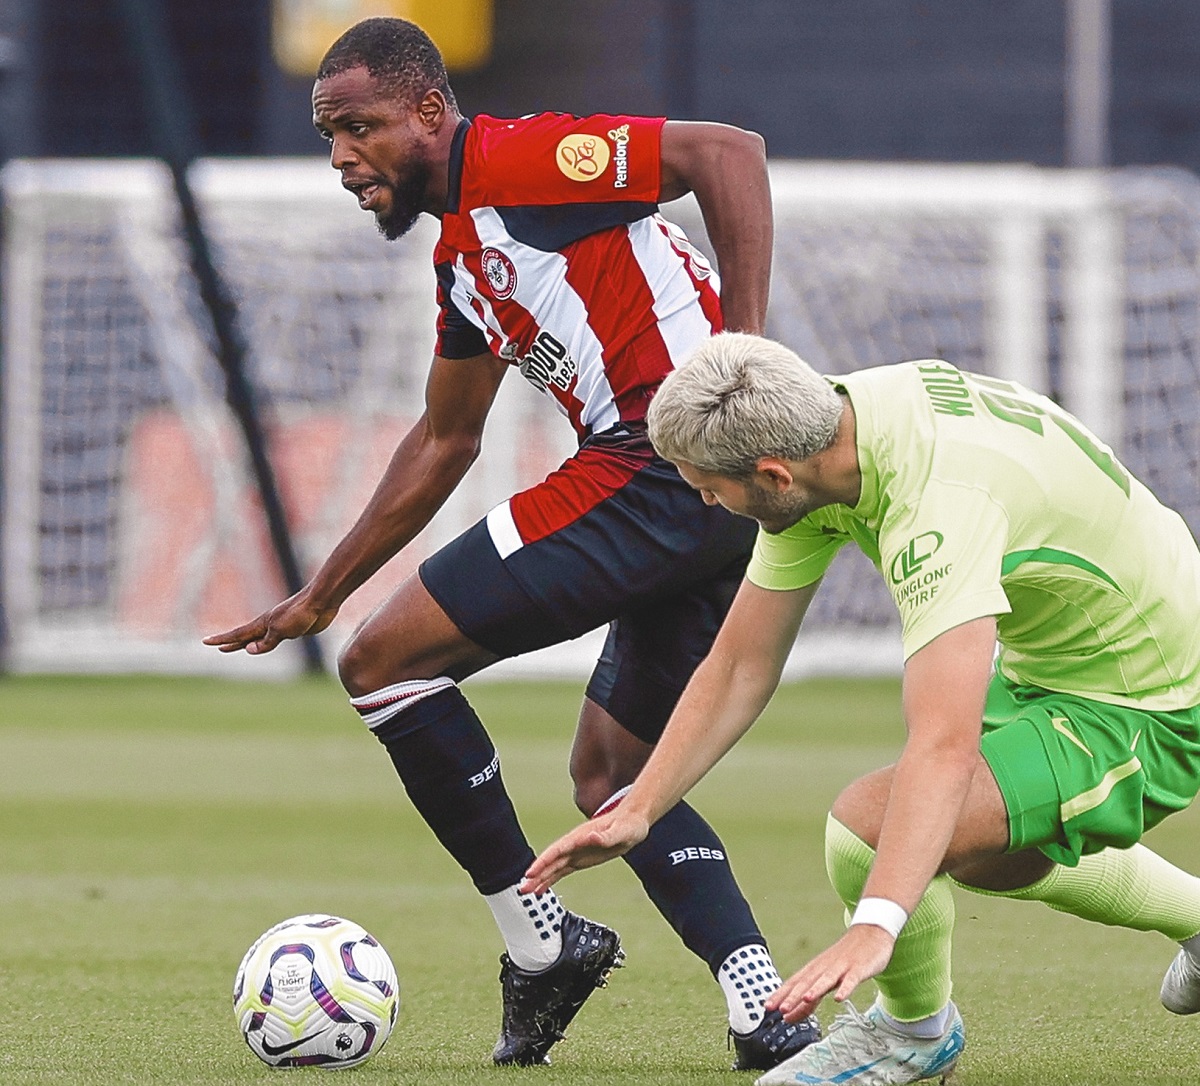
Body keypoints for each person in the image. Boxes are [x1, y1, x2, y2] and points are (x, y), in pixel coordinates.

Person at [204, 17, 821, 1071]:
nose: (345, 158)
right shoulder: (460, 260)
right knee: (613, 776)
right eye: (328, 137)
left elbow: (726, 153)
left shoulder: (521, 158)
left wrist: (743, 363)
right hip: (702, 504)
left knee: (385, 667)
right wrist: (321, 590)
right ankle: (763, 1006)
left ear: (432, 113)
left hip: (661, 463)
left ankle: (541, 946)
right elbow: (444, 440)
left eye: (362, 127)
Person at [523, 331, 1200, 1085]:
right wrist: (640, 806)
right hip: (1072, 650)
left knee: (874, 827)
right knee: (977, 850)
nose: (706, 503)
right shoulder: (829, 428)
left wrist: (876, 927)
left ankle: (913, 1032)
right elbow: (742, 662)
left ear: (773, 476)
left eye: (709, 488)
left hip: (1152, 699)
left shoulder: (937, 503)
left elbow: (942, 744)